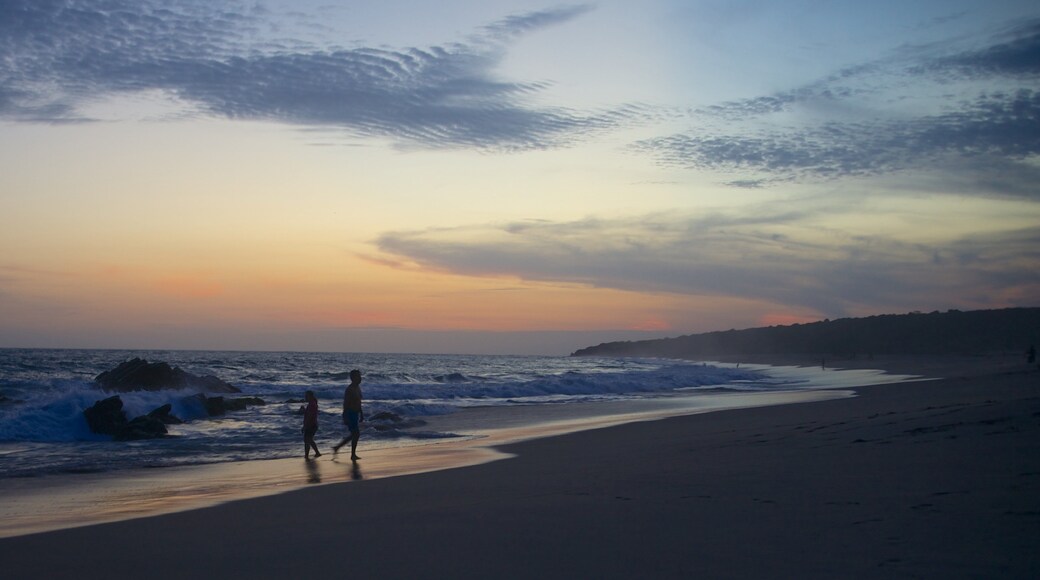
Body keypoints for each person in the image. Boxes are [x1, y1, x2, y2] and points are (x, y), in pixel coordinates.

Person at [333, 369, 365, 461]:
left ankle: (338, 447)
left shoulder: (358, 388)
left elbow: (359, 402)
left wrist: (361, 413)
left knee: (354, 434)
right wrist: (345, 416)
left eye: (360, 376)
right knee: (356, 434)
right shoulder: (349, 389)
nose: (360, 378)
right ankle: (352, 454)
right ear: (353, 378)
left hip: (356, 413)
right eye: (358, 377)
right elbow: (345, 403)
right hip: (350, 413)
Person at [302, 390, 321, 459]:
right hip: (313, 424)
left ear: (310, 396)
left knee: (307, 440)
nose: (305, 397)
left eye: (306, 396)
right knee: (309, 440)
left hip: (311, 425)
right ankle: (317, 452)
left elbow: (310, 416)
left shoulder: (311, 405)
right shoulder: (313, 403)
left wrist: (305, 426)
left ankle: (306, 455)